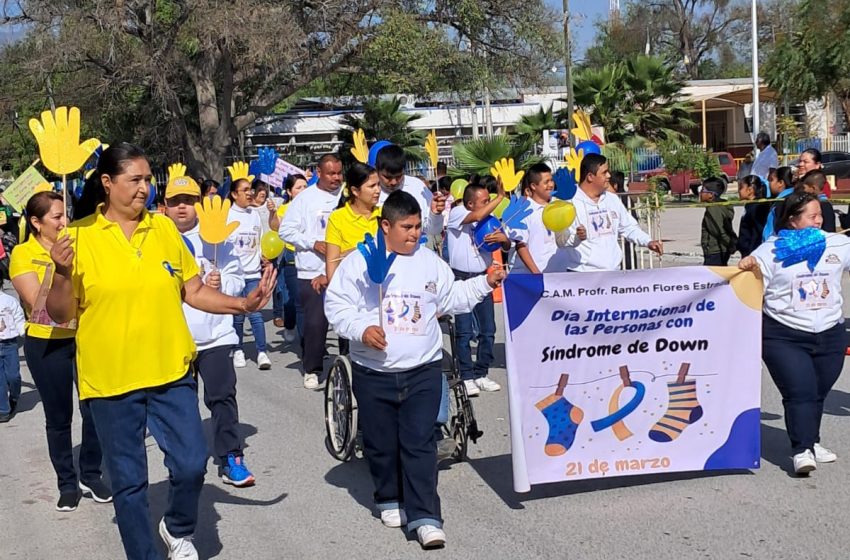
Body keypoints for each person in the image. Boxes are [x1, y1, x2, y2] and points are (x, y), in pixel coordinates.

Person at [44, 143, 275, 560]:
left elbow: (194, 290)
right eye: (135, 180)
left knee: (191, 463)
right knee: (129, 484)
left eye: (148, 180)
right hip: (111, 381)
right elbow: (61, 314)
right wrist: (61, 272)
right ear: (107, 183)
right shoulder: (76, 237)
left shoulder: (164, 230)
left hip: (171, 373)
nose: (144, 188)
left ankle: (177, 525)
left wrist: (243, 305)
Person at [325, 190, 507, 549]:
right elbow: (337, 304)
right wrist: (362, 329)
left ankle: (426, 516)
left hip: (423, 369)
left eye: (418, 227)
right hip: (373, 371)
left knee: (420, 442)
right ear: (385, 225)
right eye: (406, 227)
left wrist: (485, 282)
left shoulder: (429, 262)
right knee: (381, 443)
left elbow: (452, 298)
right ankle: (389, 496)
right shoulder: (359, 262)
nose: (413, 234)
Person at [10, 191, 109, 512]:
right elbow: (40, 306)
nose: (64, 221)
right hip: (47, 343)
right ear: (37, 223)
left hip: (86, 339)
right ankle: (67, 483)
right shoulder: (23, 254)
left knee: (95, 409)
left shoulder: (78, 244)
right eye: (56, 217)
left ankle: (90, 473)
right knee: (59, 417)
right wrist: (59, 268)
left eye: (65, 214)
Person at [739, 191, 845, 475]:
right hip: (783, 334)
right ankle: (801, 449)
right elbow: (745, 278)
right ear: (793, 220)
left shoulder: (836, 243)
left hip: (830, 332)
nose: (818, 221)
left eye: (820, 215)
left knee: (818, 392)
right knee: (800, 392)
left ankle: (812, 439)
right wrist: (748, 267)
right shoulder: (770, 250)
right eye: (812, 216)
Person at [163, 174, 256, 488]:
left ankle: (231, 457)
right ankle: (184, 461)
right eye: (175, 202)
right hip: (174, 336)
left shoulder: (216, 238)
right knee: (181, 404)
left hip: (215, 335)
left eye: (188, 202)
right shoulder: (156, 240)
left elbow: (237, 278)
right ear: (164, 206)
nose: (182, 209)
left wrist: (221, 284)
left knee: (222, 397)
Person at [279, 154, 344, 389]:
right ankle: (312, 368)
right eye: (331, 173)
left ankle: (350, 364)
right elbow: (285, 231)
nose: (336, 178)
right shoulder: (305, 199)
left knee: (347, 319)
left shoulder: (348, 196)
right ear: (318, 172)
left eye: (339, 172)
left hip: (344, 268)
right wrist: (313, 243)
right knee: (316, 323)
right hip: (312, 269)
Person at [446, 180, 509, 396]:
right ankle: (466, 376)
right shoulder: (457, 213)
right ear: (470, 203)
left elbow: (504, 243)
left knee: (487, 330)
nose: (489, 204)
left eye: (489, 200)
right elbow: (476, 217)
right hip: (461, 278)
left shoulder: (489, 218)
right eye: (484, 201)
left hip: (484, 277)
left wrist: (503, 239)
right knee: (464, 332)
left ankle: (481, 372)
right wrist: (500, 197)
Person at [559, 153, 663, 270]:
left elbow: (628, 227)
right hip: (583, 275)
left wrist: (648, 241)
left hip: (612, 273)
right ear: (590, 177)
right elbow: (561, 240)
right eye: (604, 172)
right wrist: (577, 237)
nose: (609, 176)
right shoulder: (569, 201)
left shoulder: (612, 199)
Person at [228, 177, 271, 370]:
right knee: (238, 315)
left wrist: (265, 257)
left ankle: (262, 351)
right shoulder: (227, 215)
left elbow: (261, 239)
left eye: (250, 189)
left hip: (254, 273)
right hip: (235, 274)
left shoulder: (254, 214)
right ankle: (238, 350)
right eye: (244, 190)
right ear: (234, 194)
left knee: (255, 314)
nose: (249, 193)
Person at [509, 163, 569, 274]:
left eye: (551, 180)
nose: (551, 185)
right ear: (533, 186)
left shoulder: (559, 204)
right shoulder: (523, 210)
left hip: (560, 275)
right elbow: (521, 245)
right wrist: (536, 273)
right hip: (533, 276)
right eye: (546, 182)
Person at [375, 144, 446, 237]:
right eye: (387, 177)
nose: (393, 182)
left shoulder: (418, 187)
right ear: (376, 169)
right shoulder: (369, 192)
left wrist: (435, 214)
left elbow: (433, 231)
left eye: (398, 176)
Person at [272, 174, 307, 341]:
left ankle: (314, 342)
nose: (302, 191)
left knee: (312, 301)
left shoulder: (313, 206)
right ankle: (292, 326)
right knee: (295, 299)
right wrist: (272, 213)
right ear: (289, 191)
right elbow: (276, 227)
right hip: (292, 254)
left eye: (305, 187)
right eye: (298, 187)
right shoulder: (284, 209)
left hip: (312, 255)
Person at [698, 177, 737, 266]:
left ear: (711, 194)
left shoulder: (713, 209)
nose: (700, 193)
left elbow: (718, 231)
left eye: (702, 190)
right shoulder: (720, 206)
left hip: (715, 251)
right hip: (720, 250)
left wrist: (730, 244)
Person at [0, 279, 23, 423]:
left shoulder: (10, 301)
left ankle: (14, 396)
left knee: (13, 376)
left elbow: (19, 318)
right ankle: (3, 410)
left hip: (10, 345)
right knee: (0, 380)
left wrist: (24, 331)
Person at [736, 175, 770, 257]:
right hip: (746, 250)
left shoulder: (757, 207)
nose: (738, 191)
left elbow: (758, 231)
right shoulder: (749, 205)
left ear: (750, 190)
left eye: (741, 188)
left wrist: (751, 251)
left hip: (752, 251)